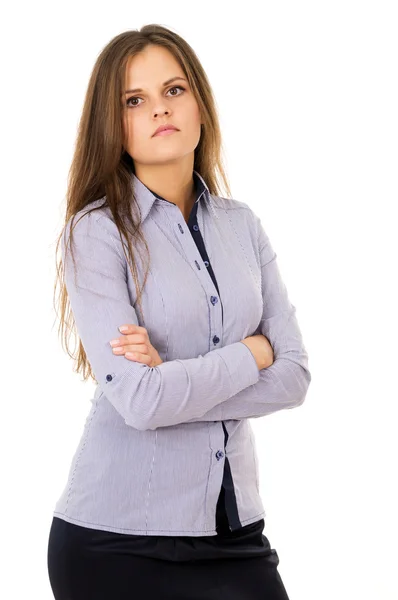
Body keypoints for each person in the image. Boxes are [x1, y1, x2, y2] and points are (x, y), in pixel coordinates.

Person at [47, 24, 311, 600]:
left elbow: (293, 376)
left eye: (174, 90)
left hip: (233, 530)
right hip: (112, 542)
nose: (159, 110)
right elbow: (140, 402)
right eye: (134, 100)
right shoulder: (93, 235)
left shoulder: (243, 226)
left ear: (199, 103)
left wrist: (170, 380)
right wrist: (251, 352)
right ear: (112, 125)